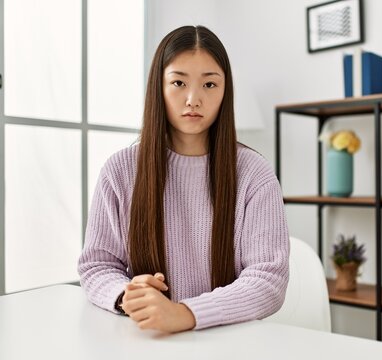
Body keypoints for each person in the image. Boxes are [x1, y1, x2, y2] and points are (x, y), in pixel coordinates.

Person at [78, 25, 289, 333]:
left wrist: (186, 313)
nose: (193, 99)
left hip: (228, 341)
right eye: (178, 82)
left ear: (225, 91)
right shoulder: (119, 170)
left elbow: (269, 279)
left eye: (209, 85)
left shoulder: (254, 173)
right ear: (158, 88)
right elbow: (96, 265)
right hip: (147, 339)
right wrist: (129, 296)